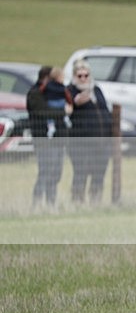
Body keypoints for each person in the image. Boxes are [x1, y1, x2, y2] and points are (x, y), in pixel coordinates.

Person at [67, 60, 113, 203]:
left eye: (86, 75)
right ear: (74, 76)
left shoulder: (96, 90)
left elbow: (105, 110)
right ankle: (77, 201)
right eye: (79, 75)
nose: (83, 79)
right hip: (80, 142)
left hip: (101, 142)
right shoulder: (70, 91)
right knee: (80, 173)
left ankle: (95, 201)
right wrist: (75, 103)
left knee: (99, 174)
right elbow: (67, 111)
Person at [27, 66, 72, 208]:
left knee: (55, 174)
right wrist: (63, 112)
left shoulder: (53, 92)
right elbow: (42, 112)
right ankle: (37, 203)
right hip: (43, 140)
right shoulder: (35, 93)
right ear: (46, 78)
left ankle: (50, 203)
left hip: (57, 140)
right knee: (45, 172)